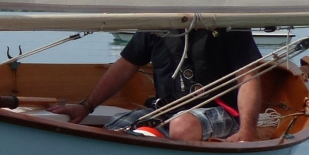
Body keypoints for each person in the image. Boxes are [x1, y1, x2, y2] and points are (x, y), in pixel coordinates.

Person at [49, 29, 262, 142]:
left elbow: (248, 76)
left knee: (182, 126)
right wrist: (86, 106)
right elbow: (125, 65)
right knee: (114, 128)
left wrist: (247, 130)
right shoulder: (159, 25)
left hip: (221, 111)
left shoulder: (228, 26)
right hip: (165, 110)